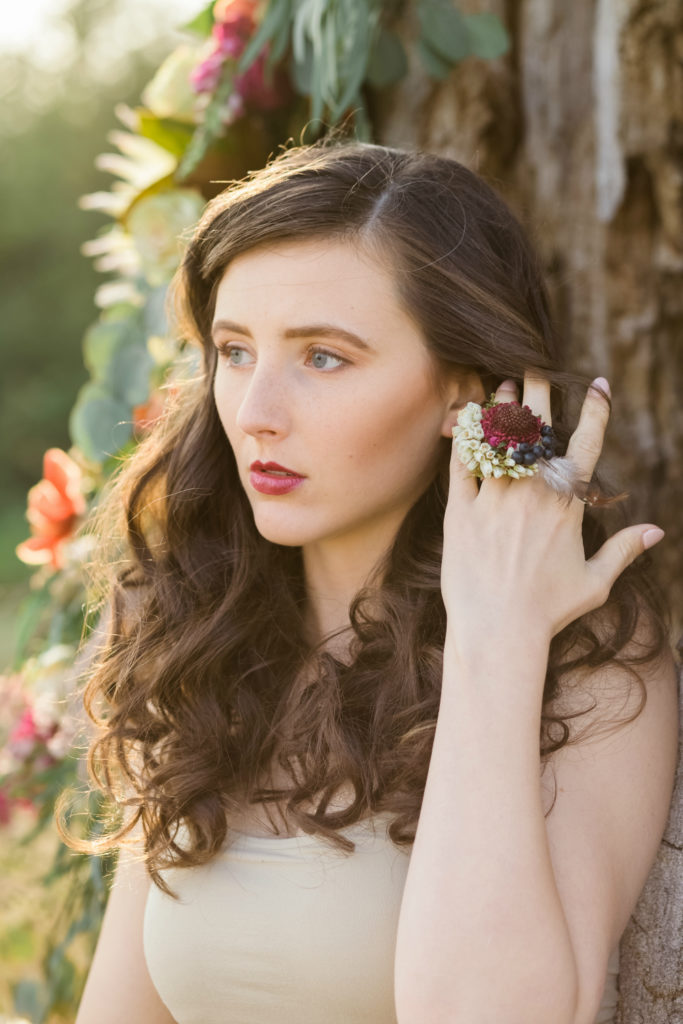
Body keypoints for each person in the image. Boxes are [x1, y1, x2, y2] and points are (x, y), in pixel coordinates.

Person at [63, 137, 679, 1024]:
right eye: (235, 352)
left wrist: (494, 634)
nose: (256, 415)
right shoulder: (197, 640)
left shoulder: (587, 666)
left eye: (323, 358)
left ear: (461, 394)